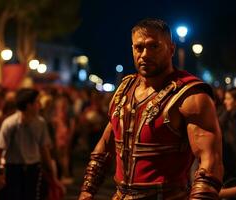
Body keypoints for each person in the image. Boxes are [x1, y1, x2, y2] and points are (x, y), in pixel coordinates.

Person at [78, 18, 223, 200]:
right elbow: (105, 146)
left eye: (154, 47)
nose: (145, 54)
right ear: (132, 49)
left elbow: (210, 162)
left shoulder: (191, 95)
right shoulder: (124, 90)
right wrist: (87, 190)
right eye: (139, 47)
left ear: (171, 49)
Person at [0, 88, 63, 200]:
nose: (39, 105)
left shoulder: (40, 123)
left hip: (33, 169)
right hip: (13, 169)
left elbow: (44, 149)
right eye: (37, 102)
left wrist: (52, 173)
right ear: (29, 105)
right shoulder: (9, 124)